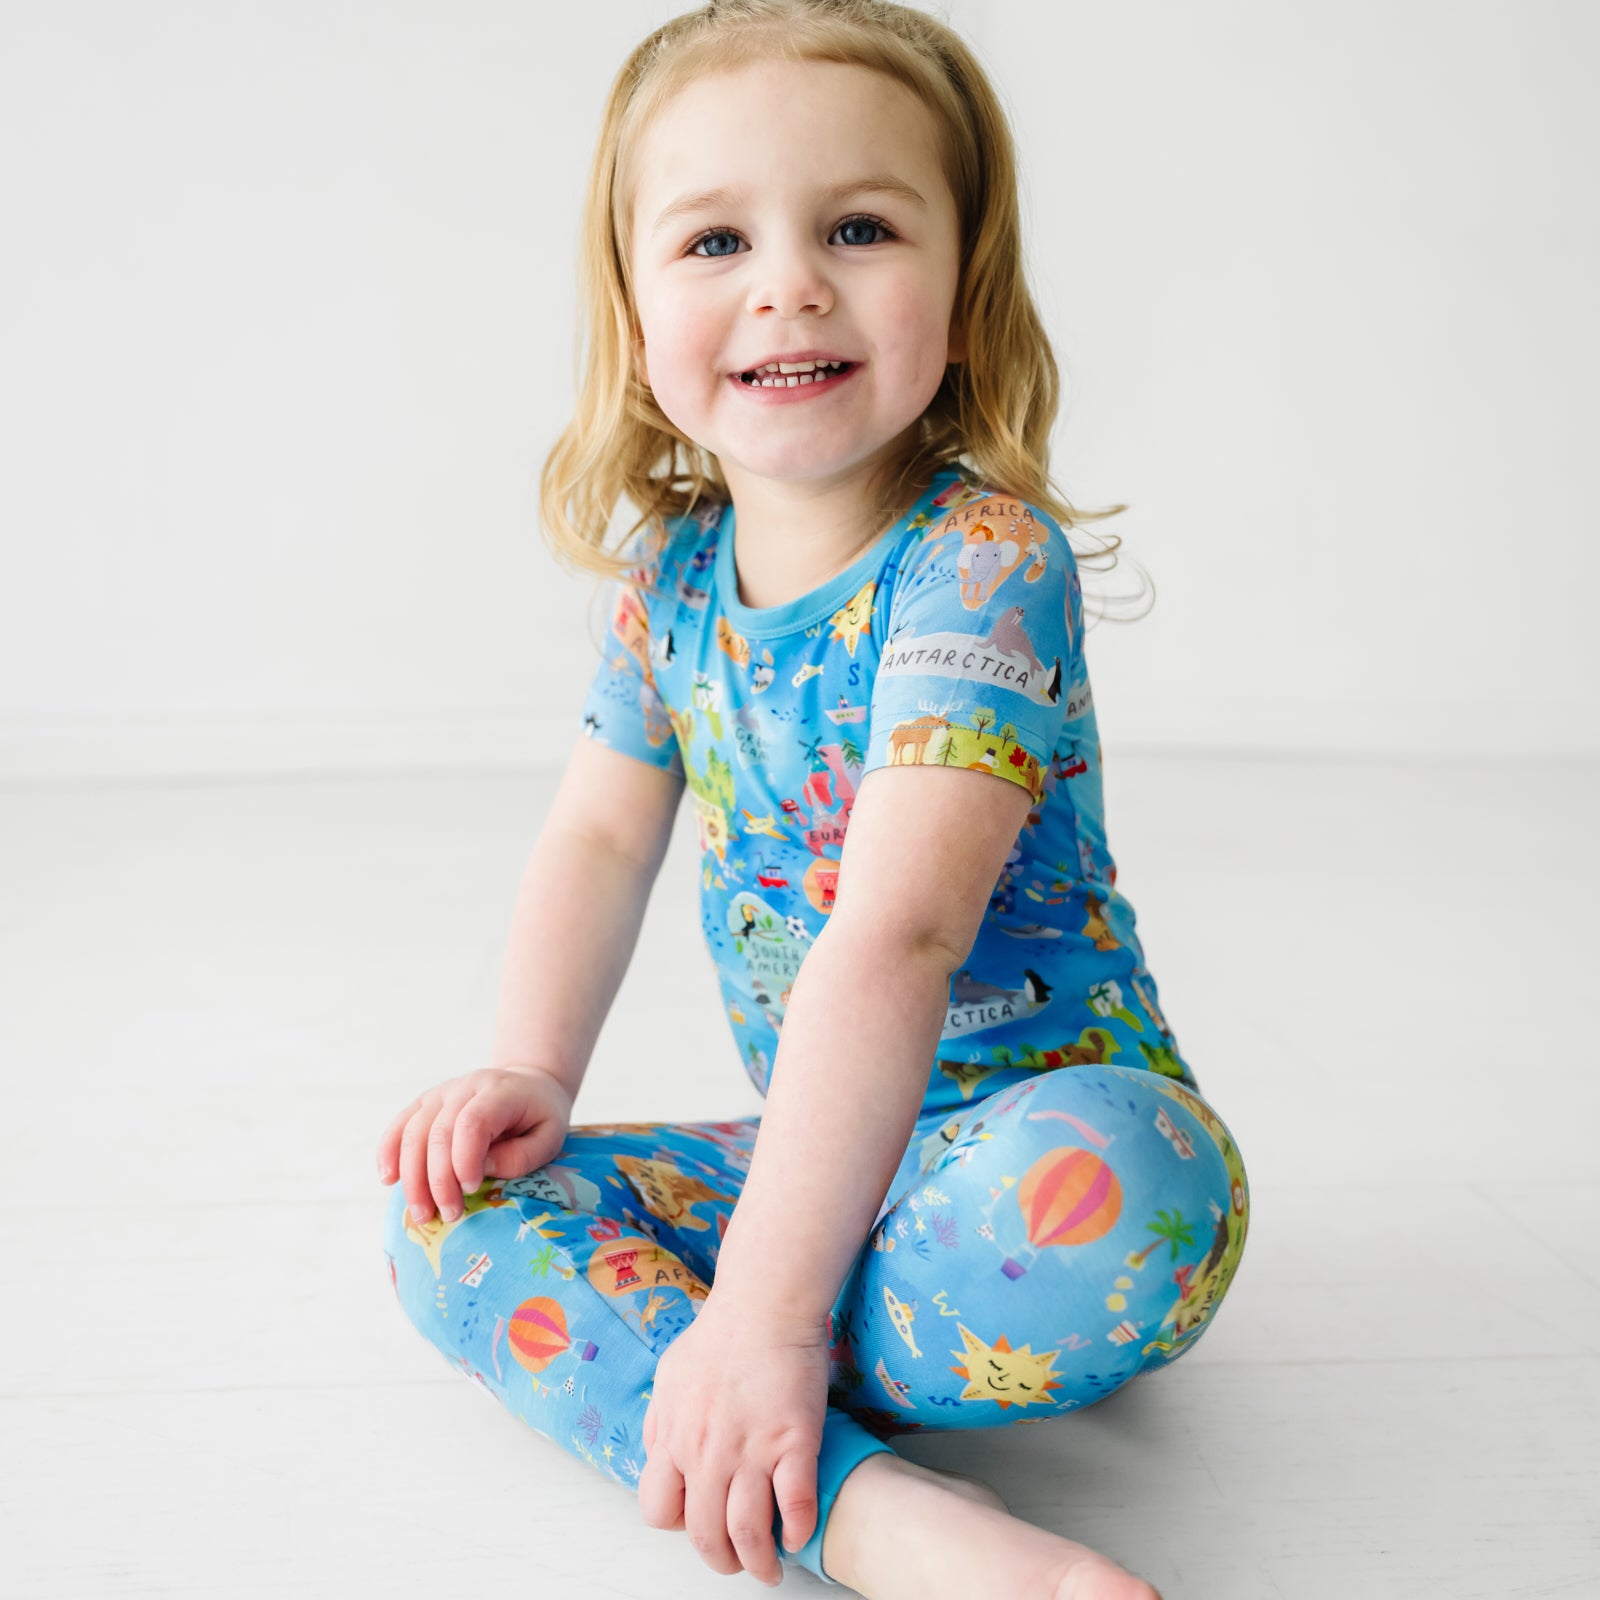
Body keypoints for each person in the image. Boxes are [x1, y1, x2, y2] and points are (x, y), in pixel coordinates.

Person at [376, 3, 1250, 1594]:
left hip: (1021, 1156)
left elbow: (900, 934)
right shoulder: (670, 582)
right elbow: (596, 836)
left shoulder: (980, 564)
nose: (788, 284)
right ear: (634, 315)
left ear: (966, 300)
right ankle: (864, 1511)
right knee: (449, 1217)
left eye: (859, 228)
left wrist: (771, 1305)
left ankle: (735, 1362)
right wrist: (531, 1066)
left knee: (1142, 1189)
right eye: (715, 240)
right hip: (817, 1159)